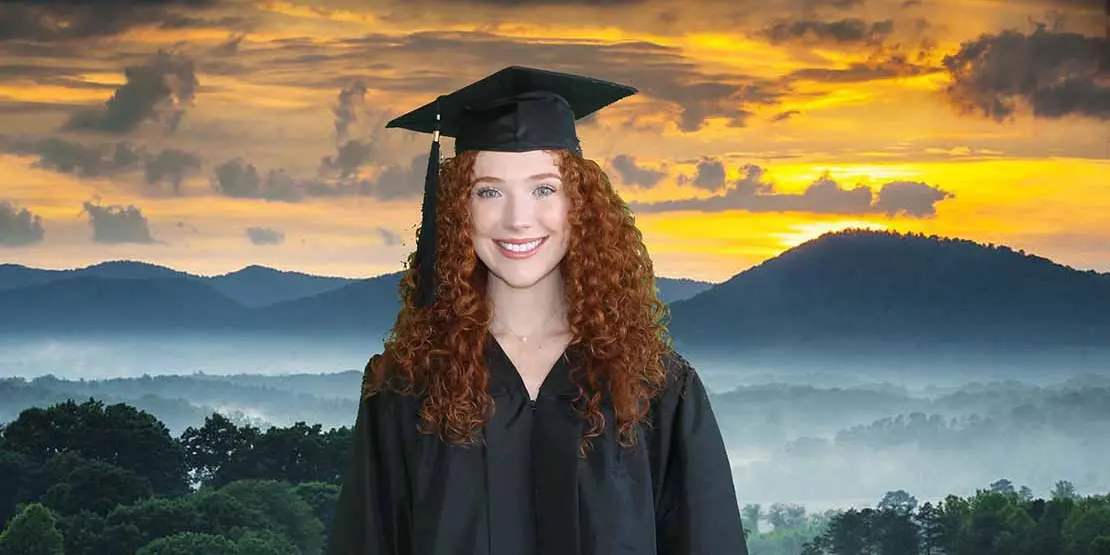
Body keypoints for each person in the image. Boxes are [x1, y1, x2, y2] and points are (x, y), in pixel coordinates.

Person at [327, 66, 749, 555]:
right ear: (457, 209)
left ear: (581, 205)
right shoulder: (406, 387)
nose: (518, 217)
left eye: (543, 188)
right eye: (488, 191)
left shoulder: (653, 388)